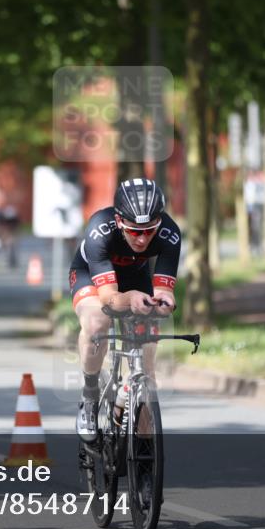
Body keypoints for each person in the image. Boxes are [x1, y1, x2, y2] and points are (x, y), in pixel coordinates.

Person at [69, 178, 181, 442]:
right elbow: (109, 298)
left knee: (147, 368)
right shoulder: (99, 229)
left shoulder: (170, 233)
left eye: (149, 230)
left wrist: (164, 303)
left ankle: (143, 455)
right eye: (133, 231)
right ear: (119, 221)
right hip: (92, 277)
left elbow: (164, 291)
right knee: (97, 322)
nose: (142, 239)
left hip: (135, 278)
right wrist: (130, 299)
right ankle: (89, 396)